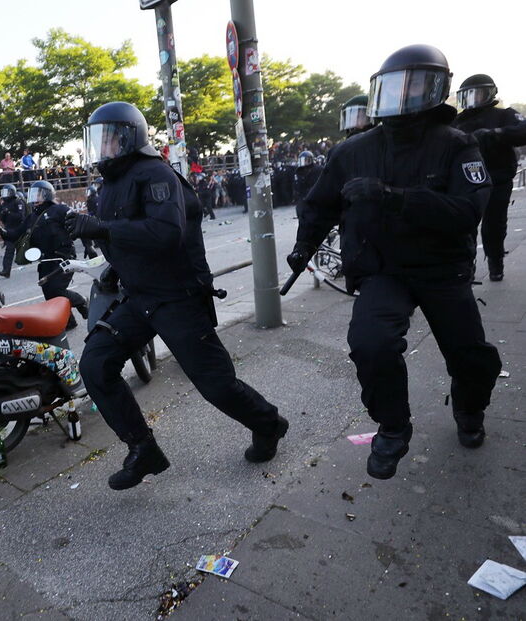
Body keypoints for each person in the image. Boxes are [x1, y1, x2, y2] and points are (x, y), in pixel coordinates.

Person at [287, 45, 501, 480]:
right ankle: (392, 425)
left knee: (471, 357)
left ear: (438, 88)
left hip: (442, 270)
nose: (403, 98)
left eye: (415, 86)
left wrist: (394, 198)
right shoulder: (353, 151)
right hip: (383, 269)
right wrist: (303, 246)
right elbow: (318, 204)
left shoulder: (458, 145)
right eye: (394, 88)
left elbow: (467, 211)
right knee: (370, 343)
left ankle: (469, 406)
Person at [66, 101, 287, 490]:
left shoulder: (156, 174)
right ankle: (143, 449)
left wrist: (101, 230)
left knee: (216, 385)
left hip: (177, 298)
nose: (103, 148)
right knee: (95, 365)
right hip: (139, 298)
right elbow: (127, 235)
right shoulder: (109, 185)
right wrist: (116, 265)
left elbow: (165, 232)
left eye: (110, 139)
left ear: (131, 136)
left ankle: (269, 423)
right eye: (96, 140)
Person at [451, 74, 526, 281]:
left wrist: (496, 133)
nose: (473, 100)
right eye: (469, 95)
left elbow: (523, 130)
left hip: (497, 178)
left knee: (494, 224)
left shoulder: (503, 115)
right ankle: (466, 264)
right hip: (466, 181)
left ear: (490, 93)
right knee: (464, 224)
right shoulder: (458, 121)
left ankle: (495, 261)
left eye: (478, 94)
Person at [9, 180, 89, 329]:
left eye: (38, 194)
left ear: (46, 195)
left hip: (63, 258)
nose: (34, 198)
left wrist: (88, 246)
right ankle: (69, 321)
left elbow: (80, 225)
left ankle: (81, 300)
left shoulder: (59, 210)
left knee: (57, 290)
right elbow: (15, 234)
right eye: (33, 194)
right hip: (45, 260)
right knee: (49, 294)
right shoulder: (32, 217)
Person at [0, 184, 26, 277]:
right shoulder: (4, 204)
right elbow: (0, 217)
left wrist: (9, 212)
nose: (5, 195)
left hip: (18, 229)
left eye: (7, 192)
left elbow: (21, 216)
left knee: (27, 247)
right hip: (9, 230)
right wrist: (3, 214)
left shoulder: (18, 202)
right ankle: (6, 270)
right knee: (9, 250)